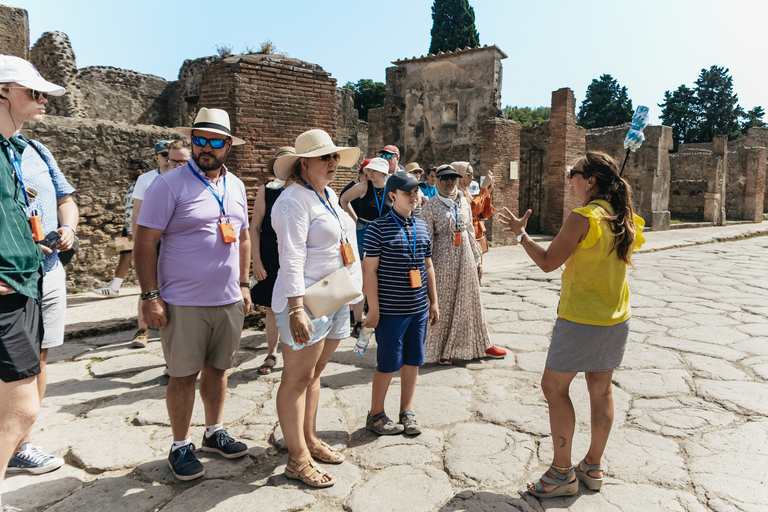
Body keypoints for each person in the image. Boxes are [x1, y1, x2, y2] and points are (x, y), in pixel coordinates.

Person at [498, 151, 645, 498]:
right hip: (615, 318)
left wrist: (521, 236)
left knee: (554, 388)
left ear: (590, 180)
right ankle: (592, 466)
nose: (569, 179)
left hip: (581, 318)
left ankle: (562, 473)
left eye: (573, 173)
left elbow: (549, 262)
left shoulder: (582, 217)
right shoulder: (625, 216)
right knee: (601, 389)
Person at [134, 108, 251, 481]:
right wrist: (150, 295)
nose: (206, 148)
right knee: (182, 374)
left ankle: (214, 432)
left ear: (228, 146)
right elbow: (144, 241)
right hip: (183, 301)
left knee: (218, 370)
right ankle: (180, 444)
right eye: (200, 139)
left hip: (228, 298)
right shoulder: (168, 185)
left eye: (215, 141)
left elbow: (243, 236)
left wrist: (245, 285)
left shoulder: (236, 185)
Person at [271, 129, 362, 488]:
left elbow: (345, 245)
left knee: (313, 374)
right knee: (296, 380)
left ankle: (307, 439)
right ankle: (296, 459)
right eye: (325, 157)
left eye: (335, 157)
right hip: (306, 301)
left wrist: (355, 299)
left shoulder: (326, 195)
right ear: (303, 163)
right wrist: (295, 309)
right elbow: (290, 256)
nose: (333, 163)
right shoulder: (293, 200)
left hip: (334, 295)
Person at [0, 54, 65, 512]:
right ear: (2, 93)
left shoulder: (15, 150)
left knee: (15, 402)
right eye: (33, 92)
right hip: (7, 288)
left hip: (26, 280)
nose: (43, 100)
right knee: (22, 407)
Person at [7, 128, 79, 475]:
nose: (43, 99)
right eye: (34, 92)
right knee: (12, 366)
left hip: (48, 271)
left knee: (39, 357)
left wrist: (69, 229)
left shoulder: (37, 149)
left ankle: (23, 443)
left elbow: (65, 200)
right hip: (12, 276)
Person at [362, 171, 438, 436]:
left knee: (413, 360)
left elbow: (428, 266)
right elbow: (369, 270)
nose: (414, 197)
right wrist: (373, 307)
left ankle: (407, 411)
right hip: (391, 310)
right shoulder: (377, 228)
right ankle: (375, 415)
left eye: (416, 192)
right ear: (392, 196)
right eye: (408, 193)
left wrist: (433, 302)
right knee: (387, 363)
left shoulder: (422, 226)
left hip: (417, 309)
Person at [420, 164, 506, 365]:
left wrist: (478, 259)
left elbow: (469, 231)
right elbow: (427, 241)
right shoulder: (431, 206)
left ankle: (482, 343)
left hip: (465, 258)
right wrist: (427, 268)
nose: (449, 182)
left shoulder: (463, 201)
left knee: (472, 303)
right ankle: (442, 350)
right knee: (444, 305)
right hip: (443, 262)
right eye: (444, 178)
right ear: (439, 181)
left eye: (452, 178)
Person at [127, 140, 190, 348]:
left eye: (179, 160)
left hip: (177, 243)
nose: (170, 161)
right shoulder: (147, 179)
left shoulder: (190, 179)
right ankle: (142, 330)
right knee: (149, 285)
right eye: (166, 156)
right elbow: (137, 213)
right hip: (153, 240)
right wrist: (138, 244)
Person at [250, 146, 295, 375]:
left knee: (300, 304)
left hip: (296, 255)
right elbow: (255, 227)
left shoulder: (305, 190)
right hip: (270, 254)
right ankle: (271, 353)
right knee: (272, 306)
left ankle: (296, 352)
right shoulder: (266, 190)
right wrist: (256, 261)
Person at [452, 161, 495, 259]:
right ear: (460, 174)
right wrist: (483, 188)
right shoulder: (455, 193)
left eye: (472, 175)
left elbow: (484, 213)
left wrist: (487, 193)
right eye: (469, 175)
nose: (472, 178)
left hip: (477, 239)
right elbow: (473, 210)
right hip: (466, 241)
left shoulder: (466, 192)